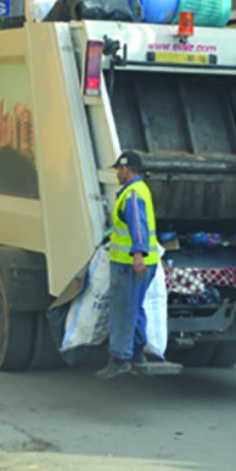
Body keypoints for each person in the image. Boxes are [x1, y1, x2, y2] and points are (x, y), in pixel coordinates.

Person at [96, 151, 160, 380]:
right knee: (135, 307)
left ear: (126, 169)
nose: (117, 174)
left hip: (129, 264)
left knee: (123, 309)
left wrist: (138, 254)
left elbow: (138, 225)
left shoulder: (132, 194)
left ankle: (120, 358)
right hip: (143, 263)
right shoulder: (140, 189)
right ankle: (138, 352)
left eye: (118, 170)